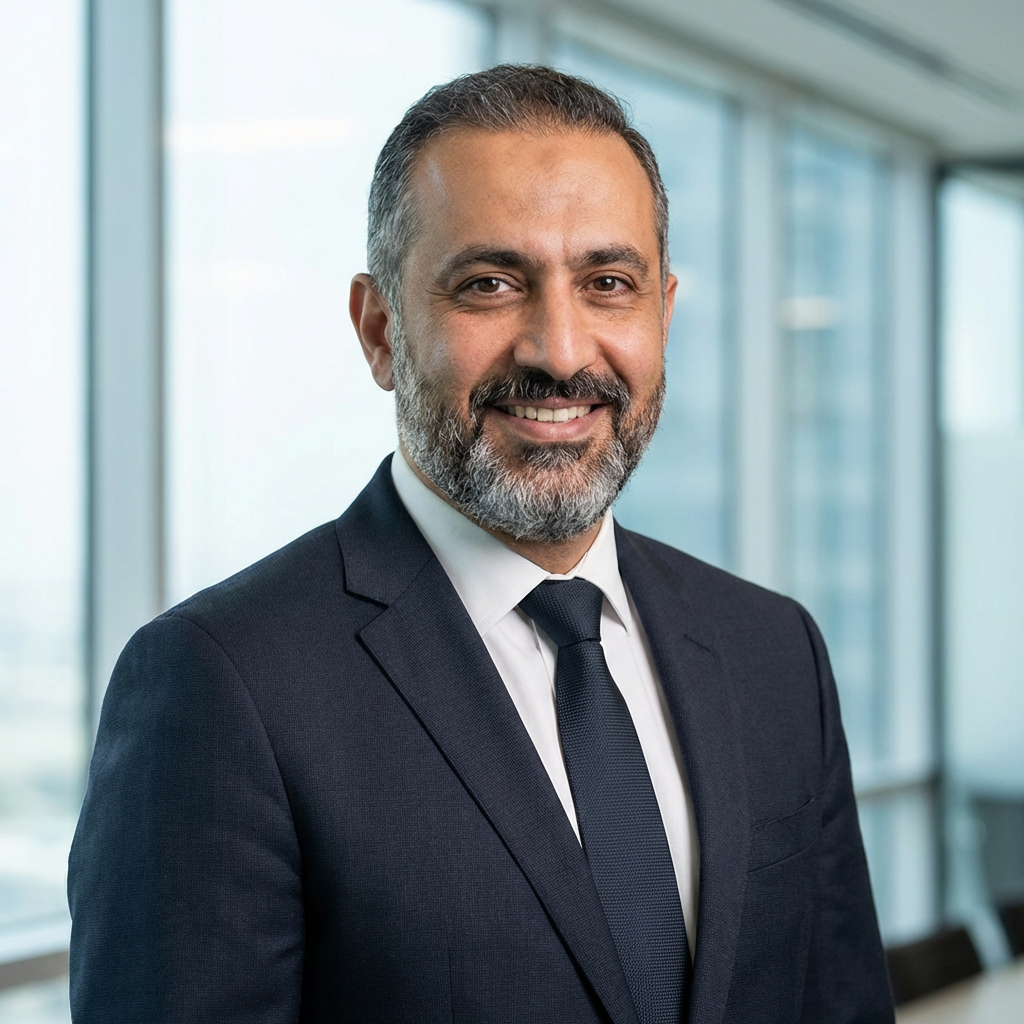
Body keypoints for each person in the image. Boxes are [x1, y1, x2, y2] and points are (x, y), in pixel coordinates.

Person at [68, 65, 894, 1023]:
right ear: (379, 330)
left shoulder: (772, 650)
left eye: (608, 283)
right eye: (491, 283)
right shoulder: (220, 684)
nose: (559, 349)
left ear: (663, 312)